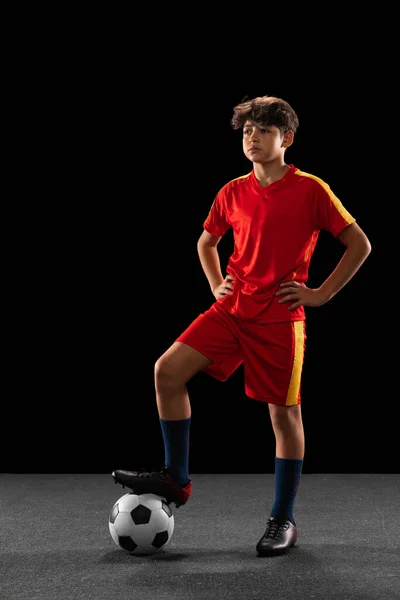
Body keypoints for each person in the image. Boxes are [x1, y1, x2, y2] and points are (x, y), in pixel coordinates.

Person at [112, 95, 371, 556]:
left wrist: (320, 294)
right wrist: (216, 284)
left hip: (278, 319)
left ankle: (283, 519)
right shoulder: (231, 191)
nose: (252, 138)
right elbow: (206, 241)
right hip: (233, 311)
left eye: (263, 130)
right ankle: (178, 478)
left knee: (283, 415)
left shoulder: (311, 188)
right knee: (166, 371)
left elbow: (360, 244)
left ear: (286, 138)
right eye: (247, 131)